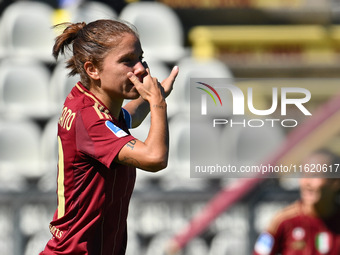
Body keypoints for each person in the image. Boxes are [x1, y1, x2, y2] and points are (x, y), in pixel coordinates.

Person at [39, 19, 179, 255]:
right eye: (127, 61)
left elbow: (125, 117)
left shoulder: (89, 100)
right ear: (93, 69)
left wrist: (152, 98)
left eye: (140, 58)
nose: (141, 68)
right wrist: (157, 104)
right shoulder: (91, 120)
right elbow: (155, 158)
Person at [253, 149, 340, 255]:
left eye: (315, 175)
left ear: (336, 182)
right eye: (304, 174)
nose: (307, 182)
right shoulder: (284, 220)